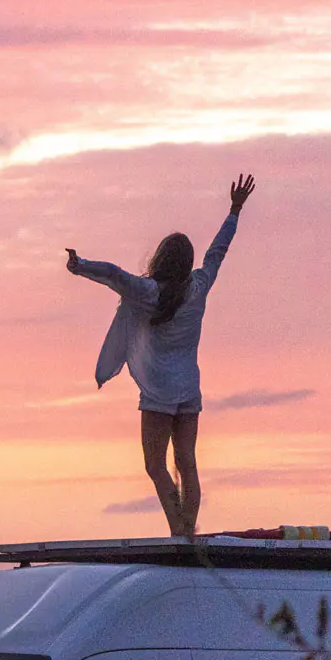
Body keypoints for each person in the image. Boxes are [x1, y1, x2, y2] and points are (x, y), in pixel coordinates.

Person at [65, 175, 256, 538]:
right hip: (189, 390)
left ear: (161, 260)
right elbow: (218, 250)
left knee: (156, 465)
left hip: (158, 392)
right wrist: (235, 209)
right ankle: (188, 531)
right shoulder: (199, 287)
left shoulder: (149, 292)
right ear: (186, 264)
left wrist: (79, 265)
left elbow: (113, 274)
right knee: (187, 463)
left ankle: (178, 533)